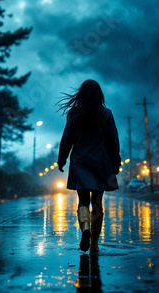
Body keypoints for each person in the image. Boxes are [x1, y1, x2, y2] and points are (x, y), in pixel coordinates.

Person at [57, 80, 121, 252]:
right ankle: (94, 243)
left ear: (81, 94)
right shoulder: (106, 114)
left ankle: (85, 227)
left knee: (83, 200)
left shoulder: (73, 115)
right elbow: (113, 141)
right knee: (97, 202)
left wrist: (61, 159)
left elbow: (67, 140)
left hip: (81, 163)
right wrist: (116, 162)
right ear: (99, 95)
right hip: (101, 163)